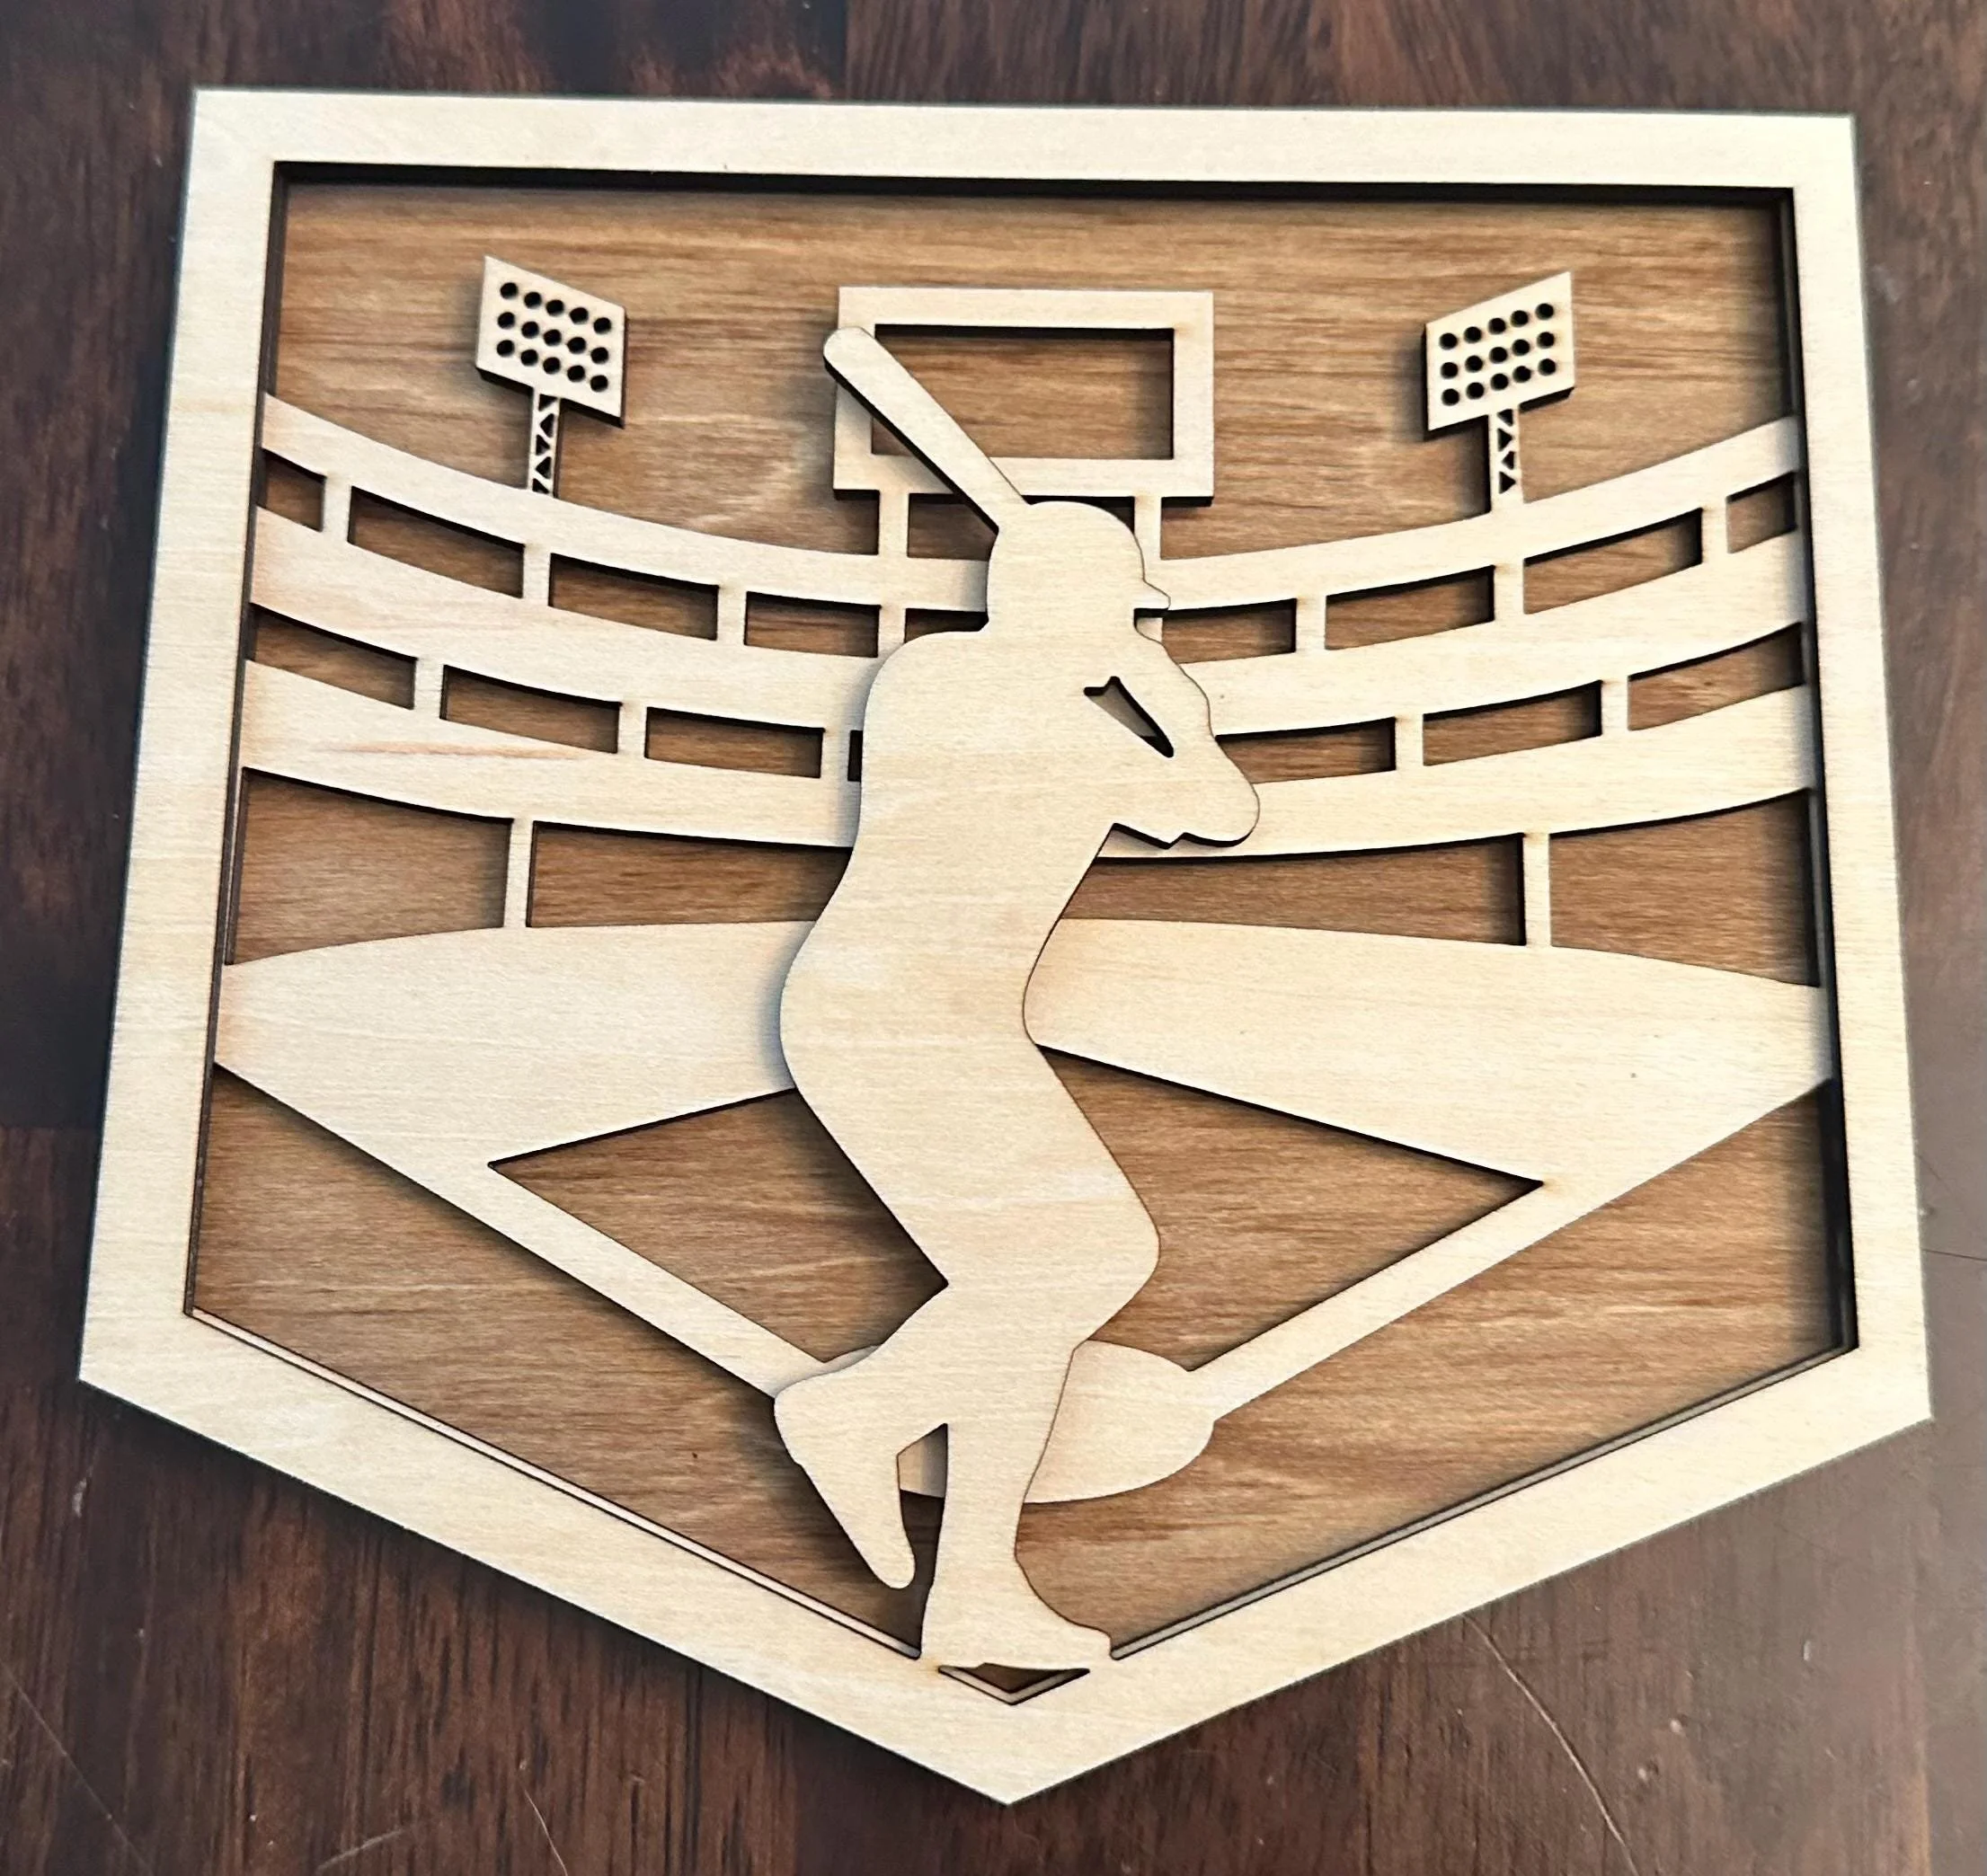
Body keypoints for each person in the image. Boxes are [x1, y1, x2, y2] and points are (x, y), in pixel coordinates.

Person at [775, 341, 1258, 1670]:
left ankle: (969, 1581)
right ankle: (858, 1420)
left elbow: (1203, 807)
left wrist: (1151, 711)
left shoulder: (947, 682)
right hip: (895, 1025)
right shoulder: (1009, 707)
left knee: (1037, 1278)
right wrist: (1181, 720)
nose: (1127, 634)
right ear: (1069, 608)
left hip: (928, 1025)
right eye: (1119, 613)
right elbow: (1217, 811)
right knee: (1081, 1261)